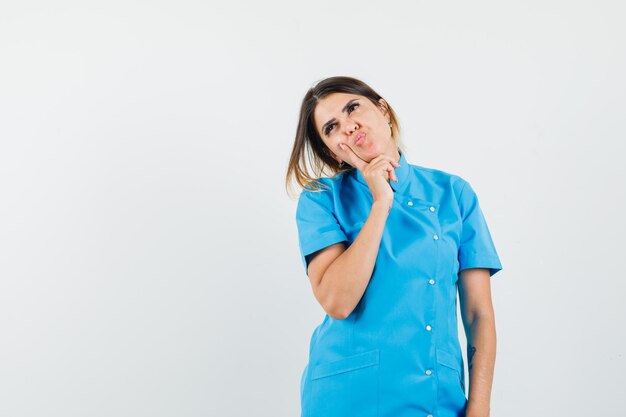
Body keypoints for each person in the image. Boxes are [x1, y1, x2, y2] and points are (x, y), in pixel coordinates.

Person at [285, 76, 503, 417]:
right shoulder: (321, 198)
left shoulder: (453, 194)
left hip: (437, 397)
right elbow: (338, 301)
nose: (348, 126)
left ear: (383, 110)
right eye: (332, 127)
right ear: (331, 150)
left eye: (352, 107)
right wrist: (380, 202)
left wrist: (479, 408)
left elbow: (479, 314)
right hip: (346, 398)